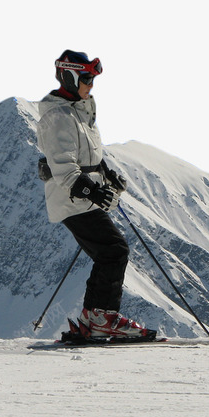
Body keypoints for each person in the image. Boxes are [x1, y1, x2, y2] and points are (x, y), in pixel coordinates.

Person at [37, 50, 153, 340]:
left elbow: (88, 155)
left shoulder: (81, 111)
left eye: (92, 78)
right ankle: (100, 318)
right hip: (70, 198)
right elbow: (63, 167)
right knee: (114, 250)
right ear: (70, 75)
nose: (91, 84)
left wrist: (106, 174)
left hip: (82, 197)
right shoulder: (58, 117)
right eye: (86, 78)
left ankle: (96, 318)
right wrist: (91, 189)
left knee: (109, 251)